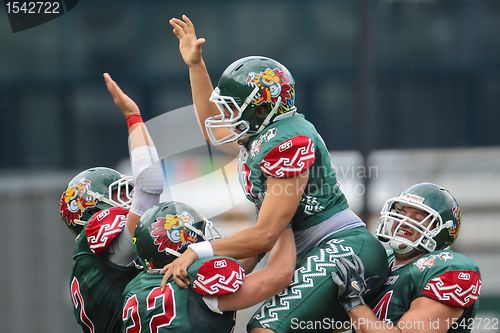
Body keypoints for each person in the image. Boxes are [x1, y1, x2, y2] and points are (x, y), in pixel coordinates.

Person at [163, 15, 389, 333]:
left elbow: (266, 235)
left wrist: (197, 250)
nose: (225, 116)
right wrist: (195, 65)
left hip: (343, 249)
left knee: (264, 329)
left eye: (232, 107)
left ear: (260, 107)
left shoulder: (287, 141)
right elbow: (213, 132)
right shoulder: (261, 138)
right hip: (310, 251)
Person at [59, 73, 164, 333]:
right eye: (119, 194)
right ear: (93, 211)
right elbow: (149, 189)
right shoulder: (104, 247)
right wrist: (134, 117)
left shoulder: (96, 259)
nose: (128, 198)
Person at [122, 201, 296, 333]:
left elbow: (241, 268)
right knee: (263, 329)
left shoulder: (135, 288)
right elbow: (279, 274)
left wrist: (263, 236)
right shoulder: (192, 281)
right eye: (198, 234)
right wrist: (284, 221)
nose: (206, 237)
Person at [331, 183, 481, 333]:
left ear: (440, 230)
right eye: (401, 213)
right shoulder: (381, 259)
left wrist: (355, 302)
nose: (404, 221)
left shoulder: (447, 269)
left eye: (417, 218)